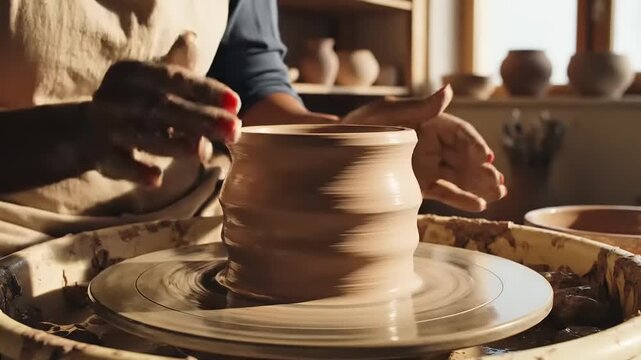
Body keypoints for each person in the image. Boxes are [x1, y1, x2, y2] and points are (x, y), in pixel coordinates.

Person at [0, 0, 506, 255]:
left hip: (193, 235)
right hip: (19, 239)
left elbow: (254, 86)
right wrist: (76, 133)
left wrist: (350, 145)